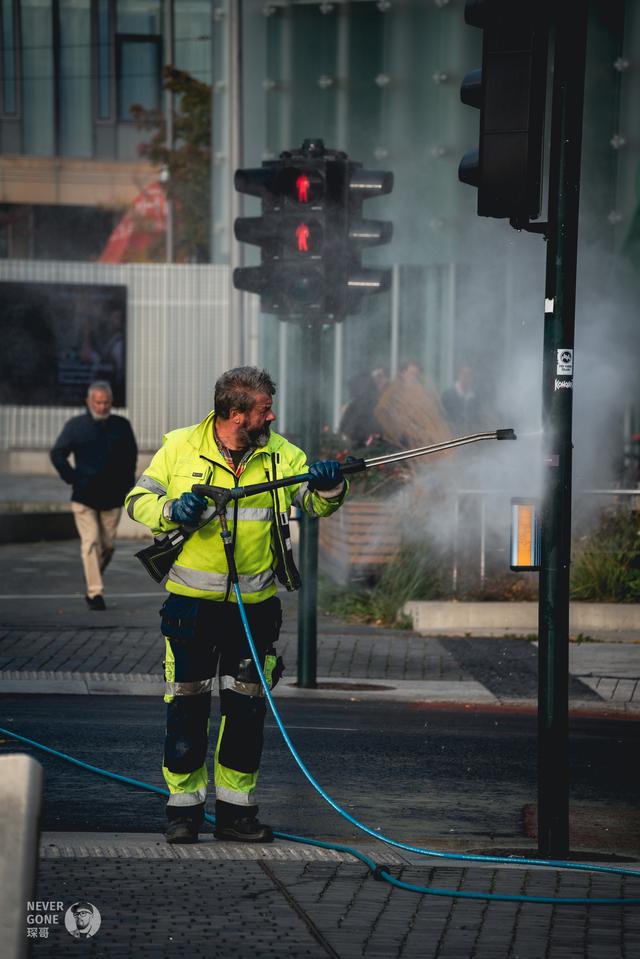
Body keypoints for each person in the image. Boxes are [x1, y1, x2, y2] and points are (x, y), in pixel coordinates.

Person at [125, 366, 348, 845]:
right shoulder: (181, 446)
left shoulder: (282, 455)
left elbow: (312, 503)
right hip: (190, 607)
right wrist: (171, 510)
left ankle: (236, 815)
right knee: (185, 708)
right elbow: (138, 499)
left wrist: (329, 486)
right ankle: (182, 813)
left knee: (245, 713)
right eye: (264, 408)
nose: (272, 415)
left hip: (254, 609)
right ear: (235, 413)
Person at [50, 380, 138, 610]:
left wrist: (127, 484)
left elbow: (131, 457)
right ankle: (94, 592)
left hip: (112, 497)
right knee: (91, 542)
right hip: (83, 497)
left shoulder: (122, 426)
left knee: (107, 546)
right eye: (98, 402)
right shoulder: (76, 426)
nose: (102, 406)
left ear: (111, 402)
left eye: (106, 402)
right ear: (89, 402)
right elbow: (57, 453)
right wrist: (72, 477)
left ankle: (92, 576)